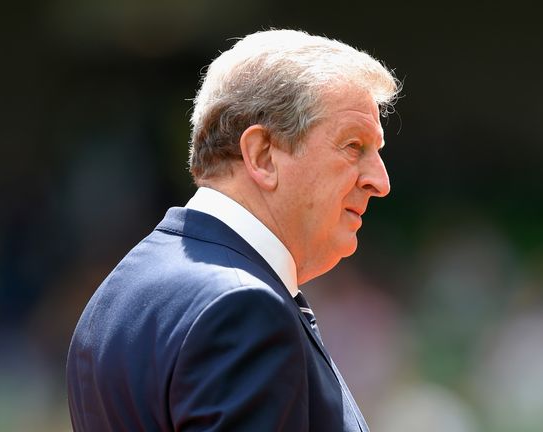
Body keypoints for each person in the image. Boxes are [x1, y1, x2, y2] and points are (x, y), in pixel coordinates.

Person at [66, 29, 400, 431]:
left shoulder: (120, 293)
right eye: (353, 146)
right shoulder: (244, 307)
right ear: (262, 155)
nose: (380, 182)